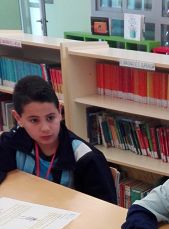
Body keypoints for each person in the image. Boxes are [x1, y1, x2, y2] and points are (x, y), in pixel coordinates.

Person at [0, 75, 117, 203]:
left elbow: (105, 208)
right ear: (18, 118)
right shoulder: (12, 142)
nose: (45, 128)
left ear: (60, 112)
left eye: (50, 118)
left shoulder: (87, 158)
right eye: (34, 120)